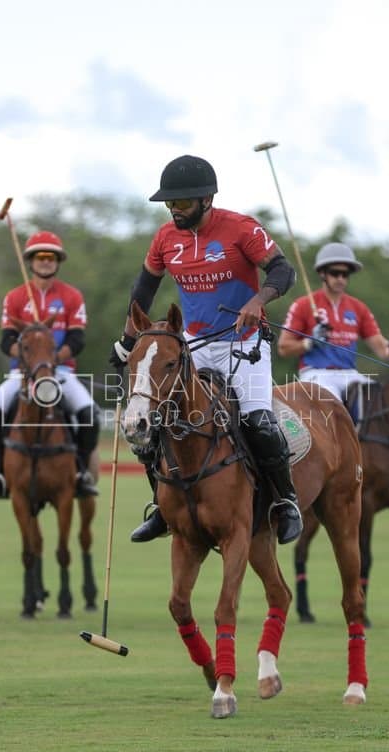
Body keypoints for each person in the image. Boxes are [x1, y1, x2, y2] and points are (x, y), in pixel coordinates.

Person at [108, 154, 303, 545]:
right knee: (153, 422)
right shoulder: (165, 238)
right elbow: (143, 291)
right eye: (169, 204)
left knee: (258, 423)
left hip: (242, 344)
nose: (173, 210)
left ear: (206, 199)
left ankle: (285, 502)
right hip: (192, 348)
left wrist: (258, 302)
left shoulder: (240, 228)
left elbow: (283, 270)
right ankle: (162, 507)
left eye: (181, 203)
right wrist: (128, 341)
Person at [0, 230, 100, 499]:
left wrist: (50, 361)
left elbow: (77, 339)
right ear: (30, 261)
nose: (46, 261)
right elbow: (6, 340)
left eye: (51, 257)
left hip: (62, 373)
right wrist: (30, 363)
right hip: (20, 375)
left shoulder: (72, 296)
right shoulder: (15, 297)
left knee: (90, 415)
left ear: (58, 262)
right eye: (40, 256)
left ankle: (80, 472)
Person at [276, 242, 389, 415]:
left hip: (349, 374)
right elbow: (283, 348)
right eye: (335, 273)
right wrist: (310, 343)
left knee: (380, 402)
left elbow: (380, 346)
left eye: (345, 274)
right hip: (316, 374)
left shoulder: (358, 308)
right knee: (333, 407)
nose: (341, 278)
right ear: (322, 273)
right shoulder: (303, 305)